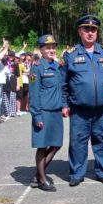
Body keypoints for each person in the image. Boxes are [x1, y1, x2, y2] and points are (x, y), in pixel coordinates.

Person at [63, 15, 103, 187]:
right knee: (78, 142)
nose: (90, 33)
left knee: (102, 141)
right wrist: (64, 104)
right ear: (80, 31)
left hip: (102, 109)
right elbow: (63, 83)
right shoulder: (70, 55)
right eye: (86, 29)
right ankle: (77, 173)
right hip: (79, 109)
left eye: (93, 30)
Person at [29, 35, 66, 192]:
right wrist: (36, 115)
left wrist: (64, 105)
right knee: (42, 146)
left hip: (56, 111)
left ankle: (39, 172)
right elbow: (34, 93)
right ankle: (43, 179)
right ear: (41, 50)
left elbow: (63, 88)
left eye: (53, 47)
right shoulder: (36, 68)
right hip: (43, 112)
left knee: (57, 144)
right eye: (47, 47)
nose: (51, 50)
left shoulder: (58, 66)